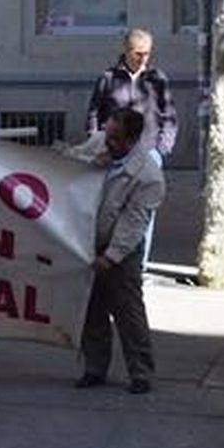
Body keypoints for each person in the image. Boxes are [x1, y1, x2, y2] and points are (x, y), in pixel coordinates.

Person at [73, 108, 165, 395]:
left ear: (132, 140)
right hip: (89, 236)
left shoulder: (147, 175)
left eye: (115, 138)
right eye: (108, 135)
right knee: (92, 308)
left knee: (128, 310)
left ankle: (140, 372)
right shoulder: (98, 144)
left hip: (122, 248)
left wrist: (112, 256)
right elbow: (66, 163)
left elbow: (133, 222)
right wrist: (91, 162)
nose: (108, 142)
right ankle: (94, 367)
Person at [84, 28, 176, 265]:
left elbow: (169, 115)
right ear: (125, 50)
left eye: (147, 53)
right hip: (113, 152)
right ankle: (109, 252)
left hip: (148, 150)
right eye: (138, 53)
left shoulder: (157, 79)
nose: (143, 58)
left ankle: (139, 263)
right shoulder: (109, 78)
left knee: (142, 209)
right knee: (111, 204)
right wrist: (98, 143)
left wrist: (161, 149)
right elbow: (94, 112)